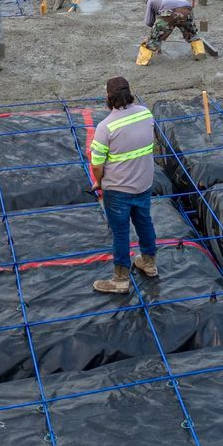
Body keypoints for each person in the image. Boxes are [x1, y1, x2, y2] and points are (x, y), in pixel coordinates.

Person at [88, 75, 159, 294]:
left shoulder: (105, 127)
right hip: (144, 184)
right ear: (129, 92)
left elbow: (96, 164)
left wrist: (99, 182)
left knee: (120, 233)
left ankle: (120, 280)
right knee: (144, 223)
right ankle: (149, 264)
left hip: (118, 190)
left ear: (108, 97)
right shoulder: (146, 113)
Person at [139, 0, 216, 65]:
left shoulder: (150, 1)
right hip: (187, 9)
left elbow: (148, 21)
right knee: (192, 34)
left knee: (154, 39)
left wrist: (155, 32)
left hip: (169, 12)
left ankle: (142, 61)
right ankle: (200, 54)